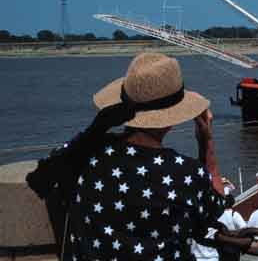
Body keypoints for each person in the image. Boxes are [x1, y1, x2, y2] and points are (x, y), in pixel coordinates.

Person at [26, 52, 226, 261]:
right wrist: (206, 143)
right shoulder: (186, 173)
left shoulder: (83, 156)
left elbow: (42, 176)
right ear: (172, 119)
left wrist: (98, 128)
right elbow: (217, 206)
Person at [217, 195, 247, 261]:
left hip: (221, 246)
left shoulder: (218, 215)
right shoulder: (235, 214)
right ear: (232, 203)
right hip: (234, 246)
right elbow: (244, 229)